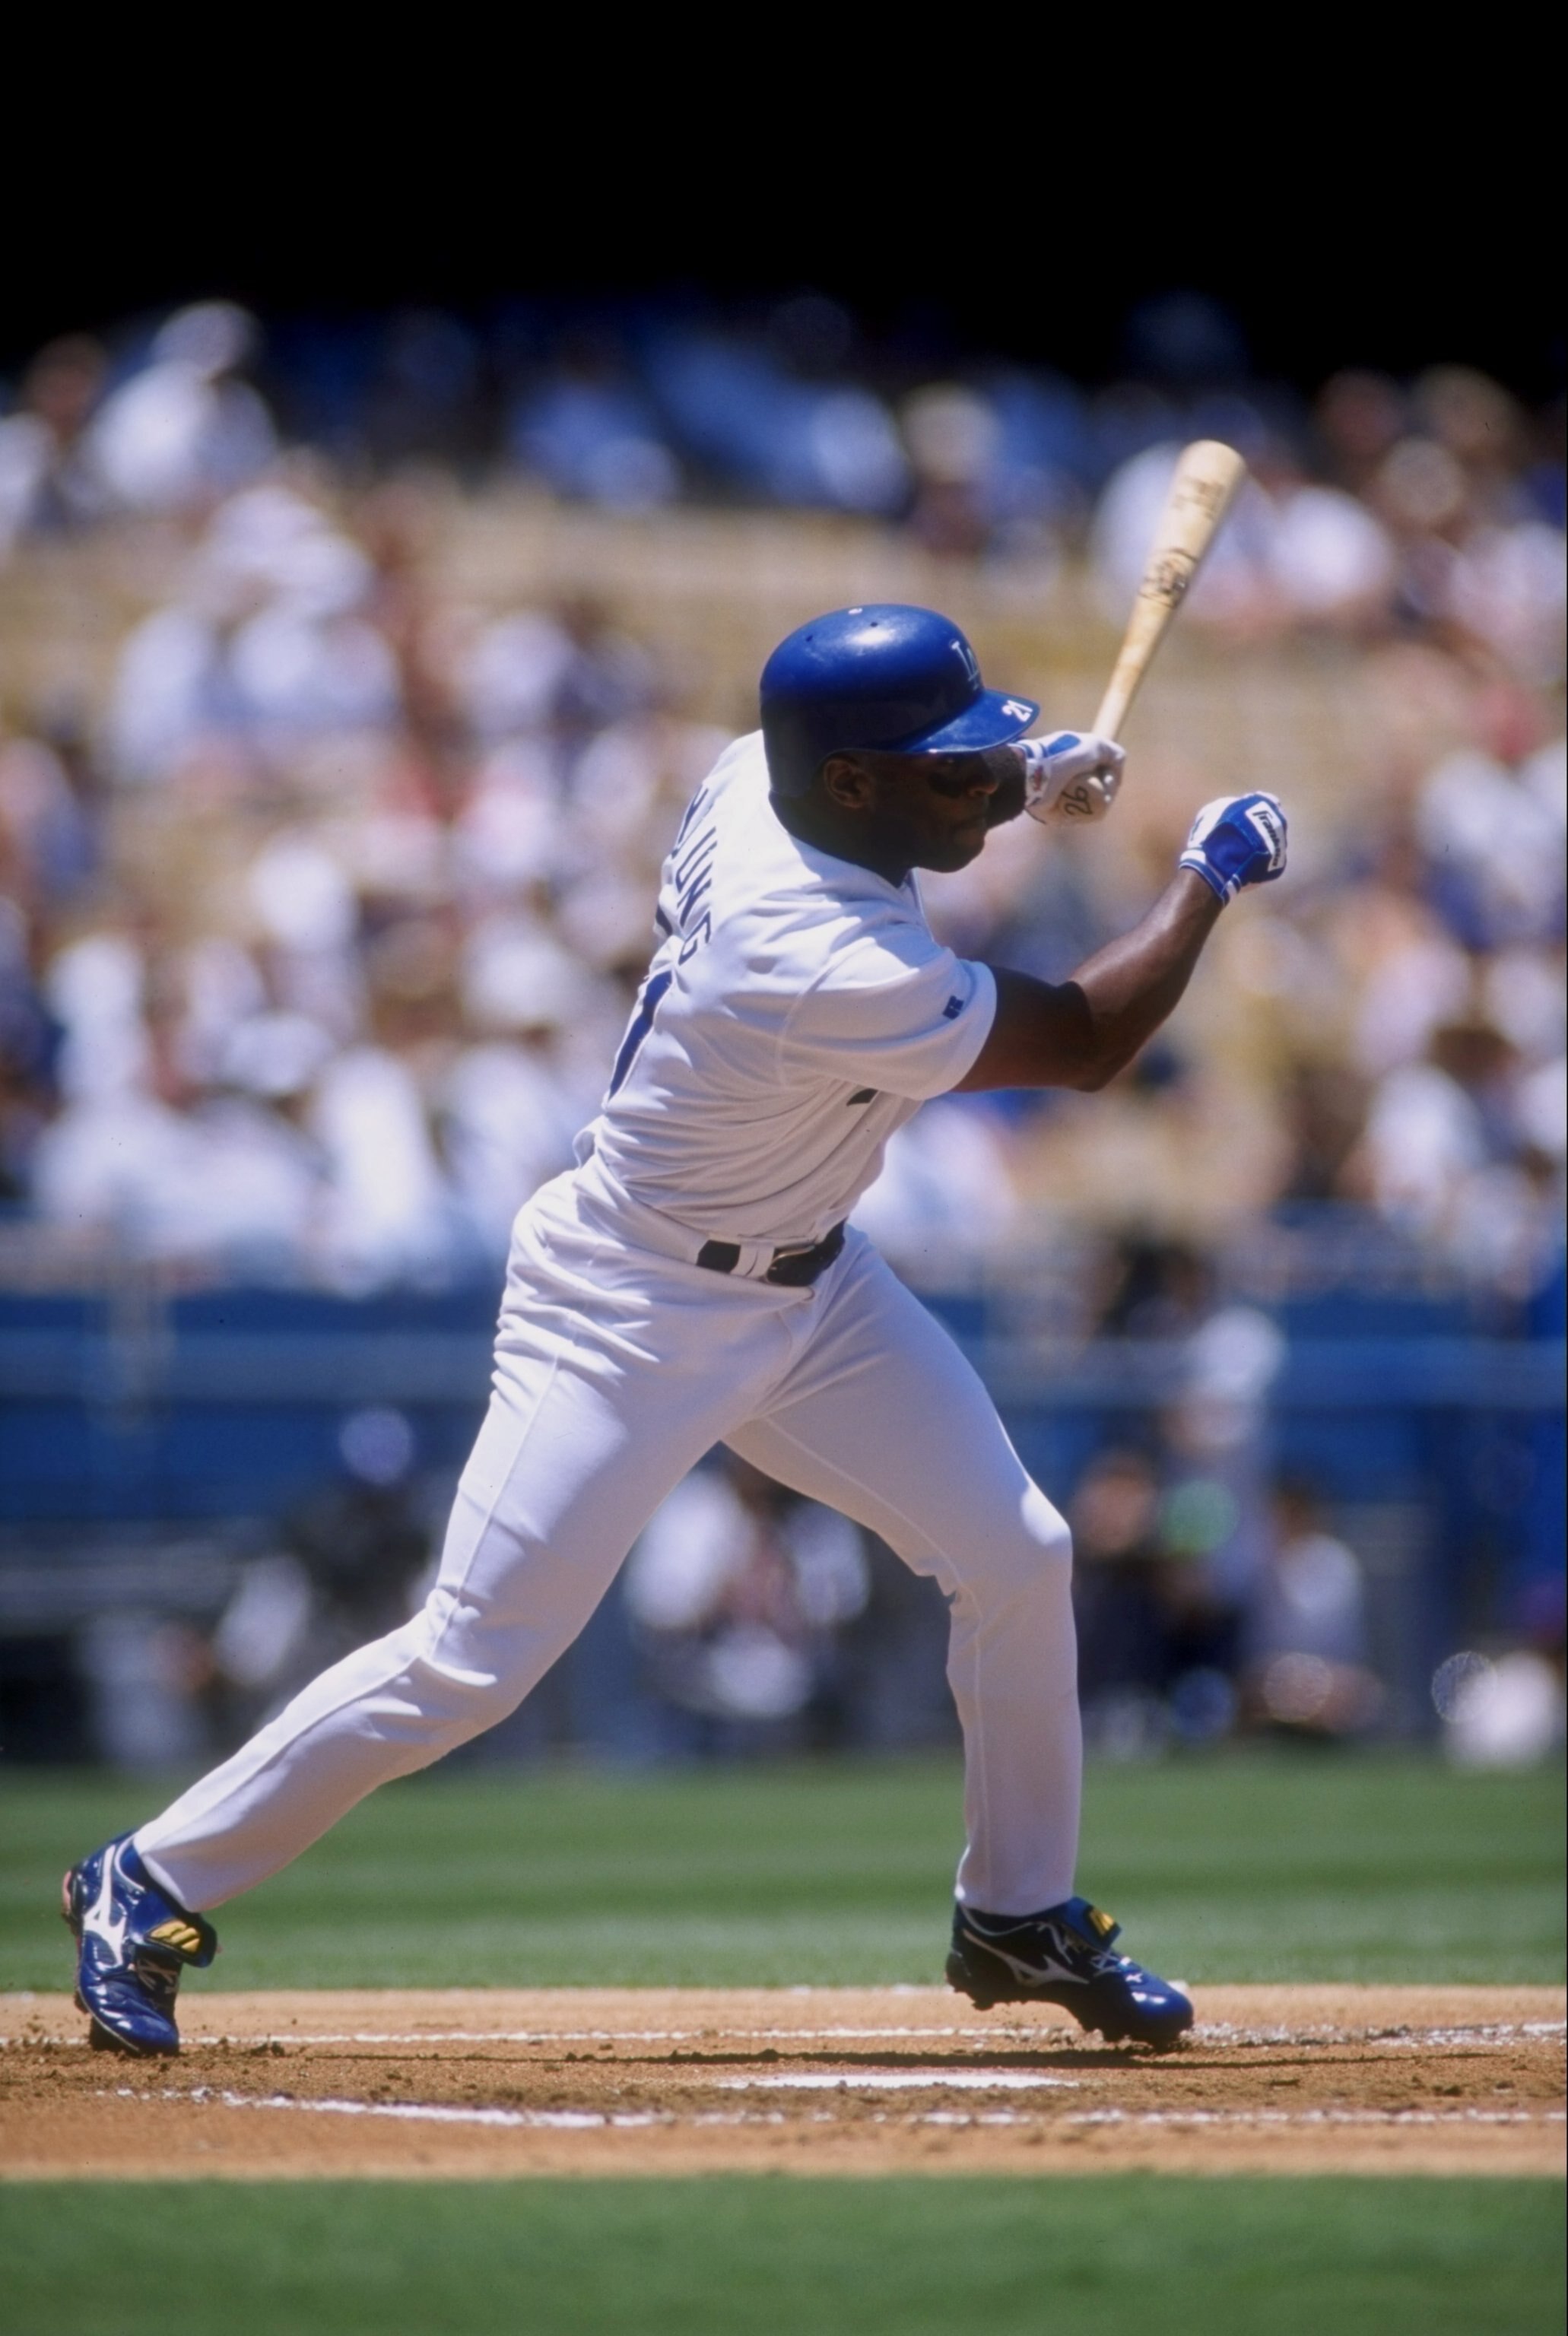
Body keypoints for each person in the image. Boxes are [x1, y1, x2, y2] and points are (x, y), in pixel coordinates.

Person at [63, 604, 1287, 2056]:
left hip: (815, 1288)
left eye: (973, 762)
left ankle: (1015, 1911)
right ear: (848, 782)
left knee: (1016, 1552)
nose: (972, 783)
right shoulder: (817, 960)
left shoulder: (748, 772)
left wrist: (1023, 783)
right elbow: (1086, 1042)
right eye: (944, 766)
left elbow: (903, 811)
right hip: (629, 1304)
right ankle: (146, 1880)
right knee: (471, 1659)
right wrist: (1208, 869)